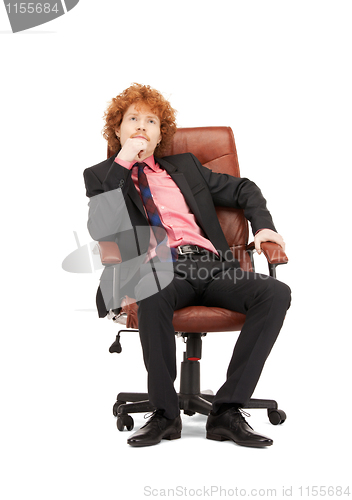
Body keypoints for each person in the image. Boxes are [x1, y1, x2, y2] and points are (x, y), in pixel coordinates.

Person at [83, 83, 291, 448]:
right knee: (152, 286)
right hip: (159, 270)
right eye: (133, 119)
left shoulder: (185, 167)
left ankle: (227, 411)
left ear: (162, 133)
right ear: (117, 130)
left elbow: (245, 189)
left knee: (275, 294)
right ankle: (165, 414)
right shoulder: (101, 176)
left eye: (152, 121)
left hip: (213, 267)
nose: (142, 127)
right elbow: (103, 225)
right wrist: (124, 161)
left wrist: (264, 227)